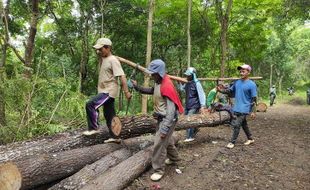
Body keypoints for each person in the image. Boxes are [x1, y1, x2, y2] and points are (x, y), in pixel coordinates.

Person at [132, 59, 183, 181]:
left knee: (159, 144)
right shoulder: (158, 81)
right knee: (168, 141)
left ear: (159, 72)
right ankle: (175, 159)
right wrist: (137, 87)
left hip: (168, 120)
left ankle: (159, 170)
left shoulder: (167, 86)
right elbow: (152, 91)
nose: (151, 75)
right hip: (162, 118)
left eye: (153, 73)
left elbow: (170, 113)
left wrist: (164, 129)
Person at [83, 38, 132, 143]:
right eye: (98, 50)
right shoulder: (103, 58)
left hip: (108, 91)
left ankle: (93, 128)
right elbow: (98, 53)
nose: (99, 52)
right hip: (103, 91)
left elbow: (122, 76)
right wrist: (99, 51)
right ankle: (115, 137)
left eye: (101, 49)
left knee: (90, 104)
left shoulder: (113, 60)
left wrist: (126, 92)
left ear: (108, 48)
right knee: (109, 114)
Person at [217, 64, 257, 149]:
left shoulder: (252, 84)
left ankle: (232, 142)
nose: (241, 72)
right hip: (237, 107)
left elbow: (254, 99)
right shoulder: (237, 82)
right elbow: (230, 91)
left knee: (236, 125)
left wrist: (253, 111)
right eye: (240, 71)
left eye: (243, 71)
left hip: (245, 108)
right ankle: (250, 138)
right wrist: (221, 90)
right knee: (243, 124)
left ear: (248, 72)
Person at [180, 67, 207, 142]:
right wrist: (181, 83)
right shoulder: (187, 83)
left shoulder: (197, 83)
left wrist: (202, 106)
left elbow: (202, 94)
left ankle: (190, 136)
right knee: (185, 119)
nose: (187, 76)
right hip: (188, 104)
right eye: (186, 75)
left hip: (194, 105)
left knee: (189, 120)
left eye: (188, 75)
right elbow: (182, 90)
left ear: (193, 75)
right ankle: (194, 130)